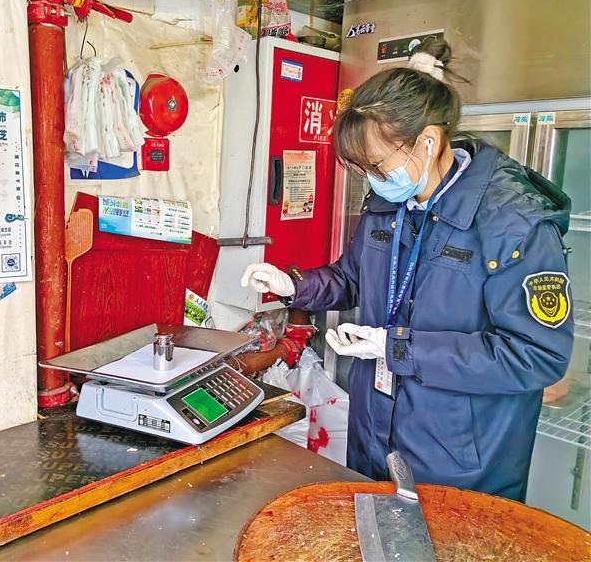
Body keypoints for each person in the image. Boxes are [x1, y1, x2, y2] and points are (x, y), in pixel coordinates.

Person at [241, 39, 574, 501]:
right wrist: (293, 285)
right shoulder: (389, 201)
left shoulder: (513, 222)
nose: (372, 180)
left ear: (428, 142)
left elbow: (534, 355)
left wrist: (397, 347)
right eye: (363, 169)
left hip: (459, 463)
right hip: (374, 438)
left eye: (377, 166)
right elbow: (353, 279)